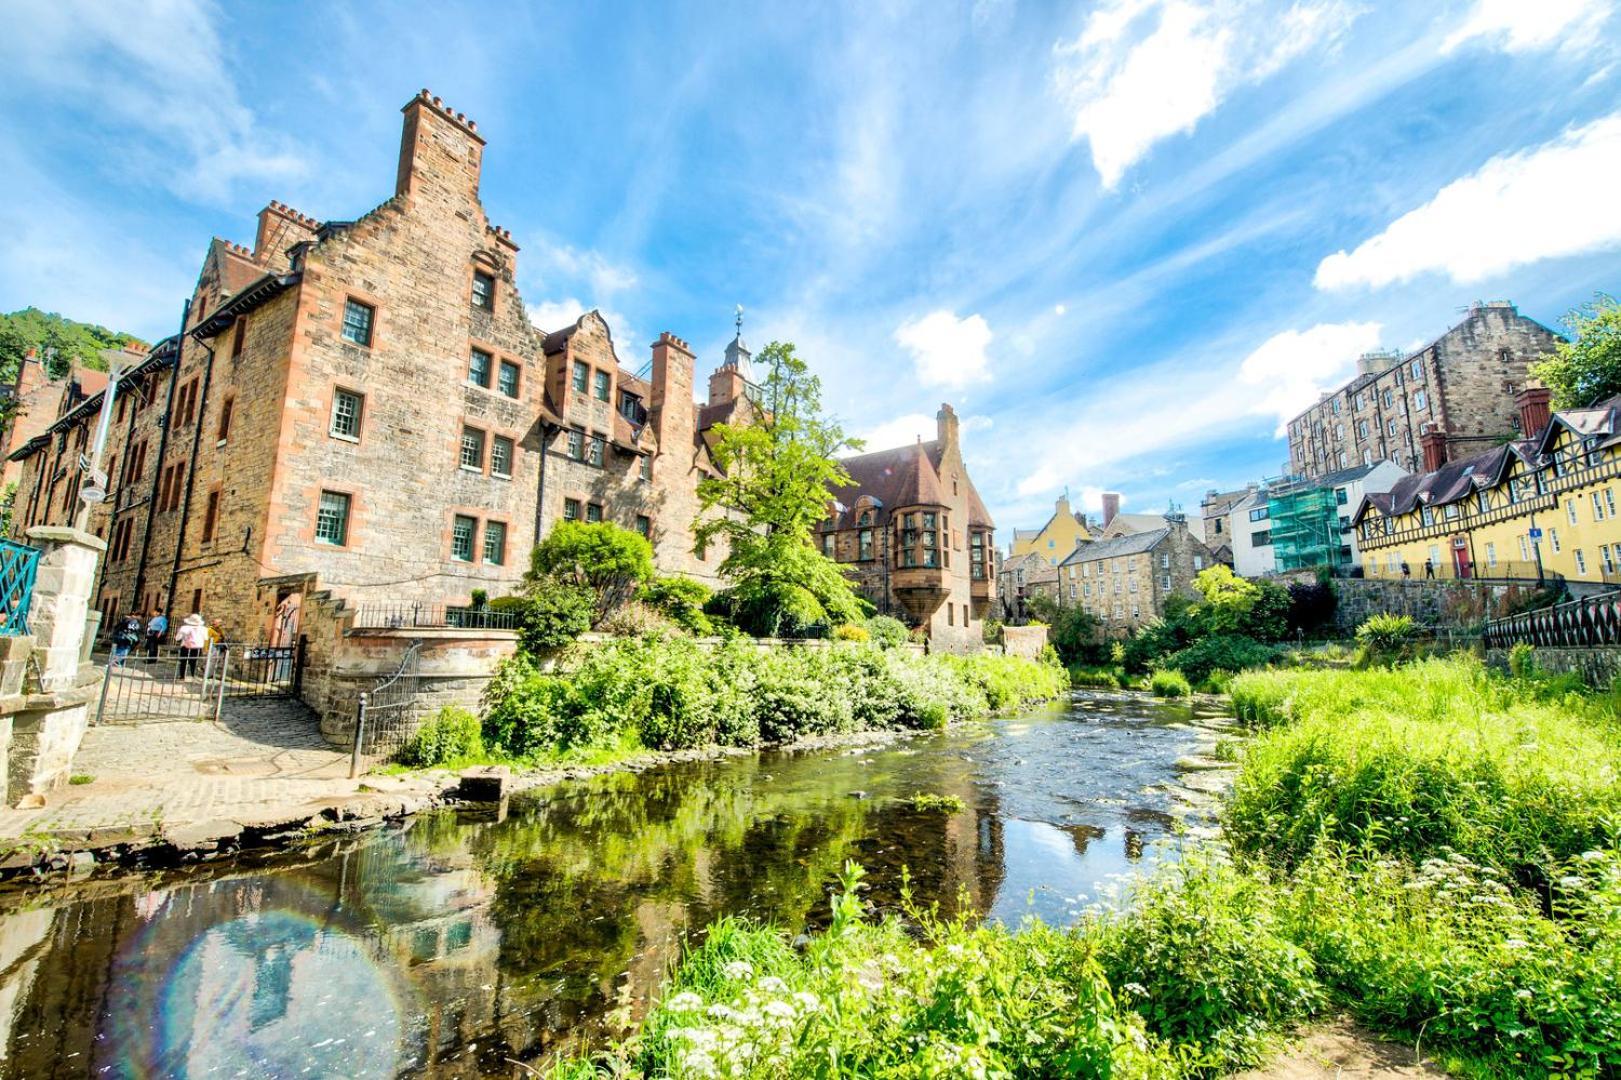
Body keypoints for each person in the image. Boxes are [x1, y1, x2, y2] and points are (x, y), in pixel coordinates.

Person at [175, 613, 209, 679]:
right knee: (194, 661)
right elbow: (206, 638)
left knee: (183, 662)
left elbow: (177, 638)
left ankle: (182, 676)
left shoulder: (184, 628)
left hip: (185, 646)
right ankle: (193, 675)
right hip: (197, 647)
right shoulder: (204, 629)